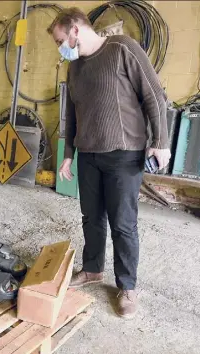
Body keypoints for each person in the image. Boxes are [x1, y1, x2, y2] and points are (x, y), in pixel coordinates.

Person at [47, 7, 171, 319]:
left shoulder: (122, 49)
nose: (60, 48)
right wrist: (67, 155)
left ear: (76, 29)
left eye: (61, 40)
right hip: (89, 155)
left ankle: (127, 287)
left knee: (123, 223)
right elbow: (72, 115)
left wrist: (161, 142)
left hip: (123, 155)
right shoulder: (74, 68)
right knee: (91, 217)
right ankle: (92, 270)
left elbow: (154, 95)